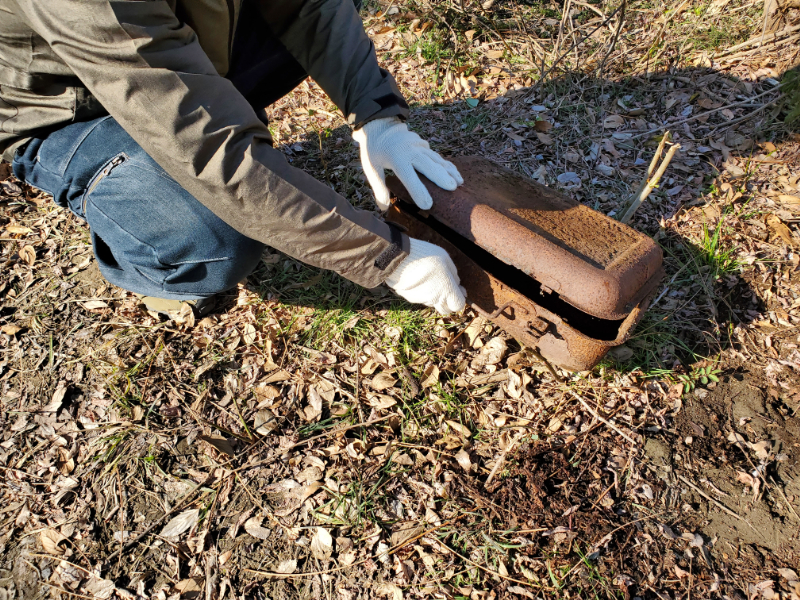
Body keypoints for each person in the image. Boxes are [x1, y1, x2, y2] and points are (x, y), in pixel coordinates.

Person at [0, 0, 467, 317]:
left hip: (172, 55)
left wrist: (375, 114)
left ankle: (222, 111)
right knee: (214, 240)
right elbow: (197, 138)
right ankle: (148, 258)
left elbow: (310, 6)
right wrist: (383, 255)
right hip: (69, 108)